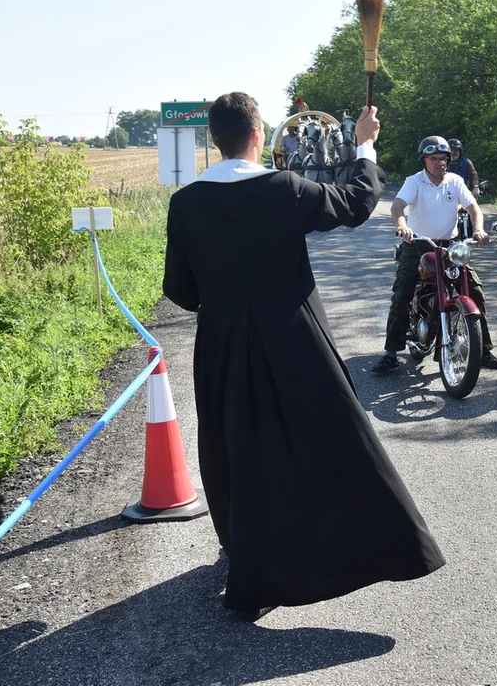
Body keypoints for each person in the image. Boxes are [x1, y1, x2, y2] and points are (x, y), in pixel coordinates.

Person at [162, 93, 445, 620]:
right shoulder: (284, 189)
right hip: (293, 336)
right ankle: (367, 546)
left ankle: (247, 554)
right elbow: (357, 202)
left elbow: (181, 290)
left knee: (235, 447)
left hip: (221, 341)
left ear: (215, 139)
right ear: (257, 135)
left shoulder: (186, 203)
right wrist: (363, 144)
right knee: (331, 438)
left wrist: (226, 300)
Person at [373, 136, 497, 373]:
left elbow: (473, 207)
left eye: (443, 159)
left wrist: (478, 229)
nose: (440, 163)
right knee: (402, 292)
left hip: (449, 246)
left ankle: (482, 350)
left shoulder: (455, 181)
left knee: (474, 290)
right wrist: (402, 226)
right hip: (417, 244)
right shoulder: (414, 182)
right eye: (434, 159)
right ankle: (391, 352)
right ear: (424, 160)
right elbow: (397, 206)